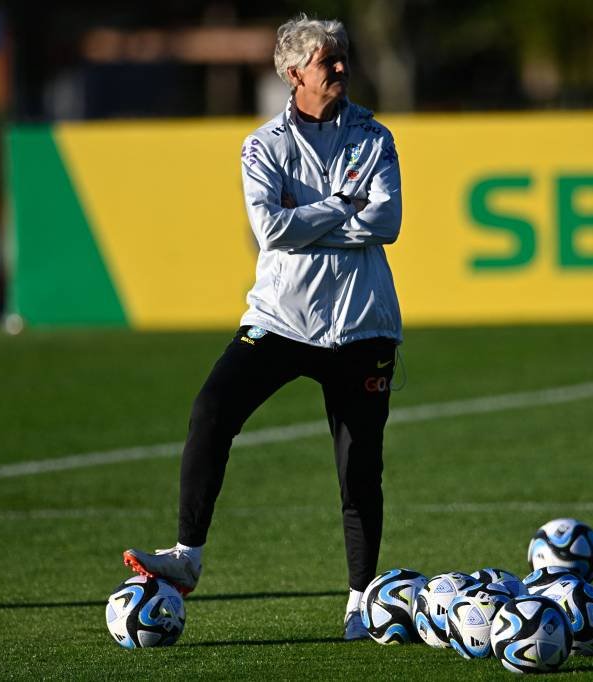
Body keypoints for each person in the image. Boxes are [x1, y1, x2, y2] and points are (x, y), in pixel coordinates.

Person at [122, 13, 403, 641]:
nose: (340, 67)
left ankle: (361, 600)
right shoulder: (262, 146)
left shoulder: (375, 136)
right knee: (211, 410)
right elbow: (271, 231)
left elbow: (387, 224)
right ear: (293, 72)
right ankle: (186, 557)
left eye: (342, 56)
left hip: (362, 324)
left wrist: (311, 216)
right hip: (280, 318)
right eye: (327, 59)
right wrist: (342, 205)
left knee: (359, 468)